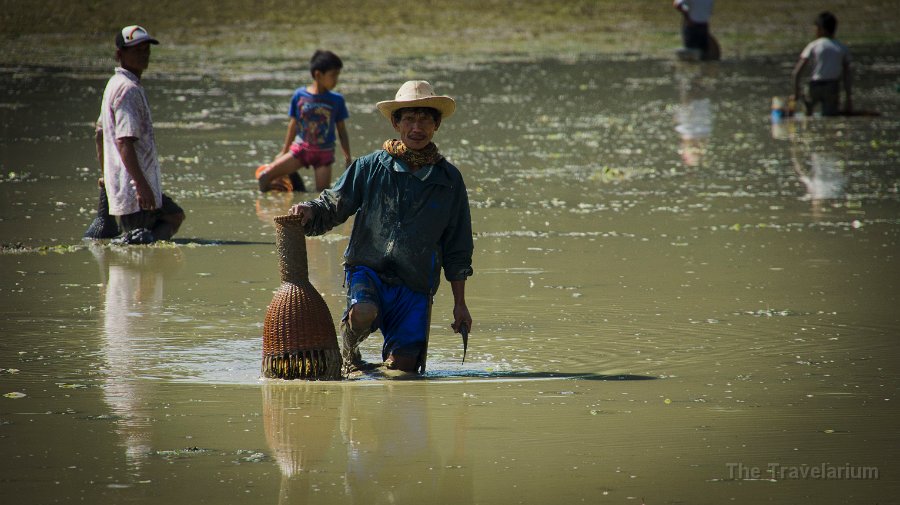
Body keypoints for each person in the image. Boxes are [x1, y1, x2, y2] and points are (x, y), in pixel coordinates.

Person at [289, 80, 473, 374]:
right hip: (368, 269)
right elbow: (333, 204)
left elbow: (458, 247)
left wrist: (460, 304)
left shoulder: (448, 180)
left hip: (415, 284)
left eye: (425, 118)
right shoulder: (369, 167)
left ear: (436, 124)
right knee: (363, 312)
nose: (417, 127)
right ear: (396, 122)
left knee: (404, 372)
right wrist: (309, 210)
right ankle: (349, 354)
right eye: (409, 118)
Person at [94, 25, 185, 244]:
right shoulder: (129, 90)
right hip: (135, 189)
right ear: (120, 54)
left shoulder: (114, 84)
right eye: (136, 50)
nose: (143, 55)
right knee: (158, 228)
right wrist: (142, 186)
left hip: (125, 185)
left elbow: (99, 133)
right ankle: (142, 242)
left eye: (146, 49)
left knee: (172, 216)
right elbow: (124, 141)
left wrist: (106, 175)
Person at [257, 50, 352, 193]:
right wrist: (284, 151)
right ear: (318, 75)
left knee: (322, 195)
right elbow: (293, 125)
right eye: (333, 75)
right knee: (264, 177)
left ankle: (300, 196)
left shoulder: (337, 100)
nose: (336, 80)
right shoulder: (299, 96)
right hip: (300, 150)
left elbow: (342, 131)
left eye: (337, 75)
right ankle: (281, 199)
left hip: (324, 154)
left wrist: (348, 157)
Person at [791, 11, 852, 117]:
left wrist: (796, 93)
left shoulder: (813, 45)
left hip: (814, 86)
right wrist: (848, 98)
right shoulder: (841, 47)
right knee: (830, 117)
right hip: (832, 87)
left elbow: (797, 72)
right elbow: (847, 75)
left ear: (821, 29)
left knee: (807, 115)